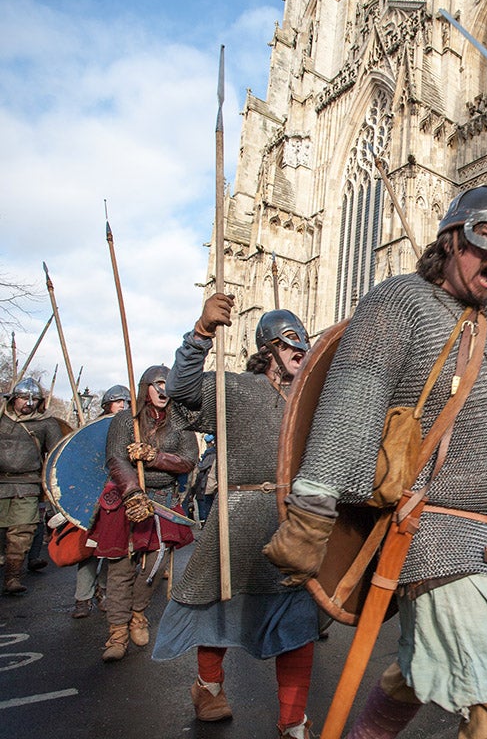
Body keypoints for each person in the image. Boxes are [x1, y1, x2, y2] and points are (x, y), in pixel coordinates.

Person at [263, 161, 487, 739]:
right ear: (450, 240)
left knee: (418, 671)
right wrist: (310, 517)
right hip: (432, 535)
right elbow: (349, 407)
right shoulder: (400, 303)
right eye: (484, 247)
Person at [151, 304, 319, 739]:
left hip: (295, 521)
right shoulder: (235, 390)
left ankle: (293, 719)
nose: (301, 352)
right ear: (269, 350)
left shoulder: (312, 400)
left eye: (303, 343)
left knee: (298, 621)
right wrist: (202, 332)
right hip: (240, 514)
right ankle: (208, 688)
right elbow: (181, 389)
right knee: (217, 608)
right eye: (290, 344)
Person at [90, 366, 197, 662]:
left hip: (162, 500)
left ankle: (138, 615)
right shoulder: (127, 420)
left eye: (168, 385)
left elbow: (189, 461)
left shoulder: (179, 423)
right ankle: (117, 631)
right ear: (145, 388)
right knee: (121, 568)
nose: (164, 391)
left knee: (153, 565)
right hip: (128, 498)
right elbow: (116, 458)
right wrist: (133, 491)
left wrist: (155, 456)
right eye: (158, 384)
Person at [70, 384, 130, 618]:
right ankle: (82, 598)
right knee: (88, 552)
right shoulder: (92, 429)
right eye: (118, 402)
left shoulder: (129, 429)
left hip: (118, 496)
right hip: (92, 498)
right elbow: (79, 464)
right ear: (108, 404)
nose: (123, 406)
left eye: (126, 402)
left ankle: (104, 592)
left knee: (113, 550)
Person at [0, 378, 64, 594]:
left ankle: (12, 578)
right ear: (13, 398)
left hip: (28, 484)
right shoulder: (1, 417)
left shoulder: (46, 423)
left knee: (22, 532)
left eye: (34, 398)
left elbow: (57, 454)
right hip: (1, 483)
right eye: (23, 398)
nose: (28, 402)